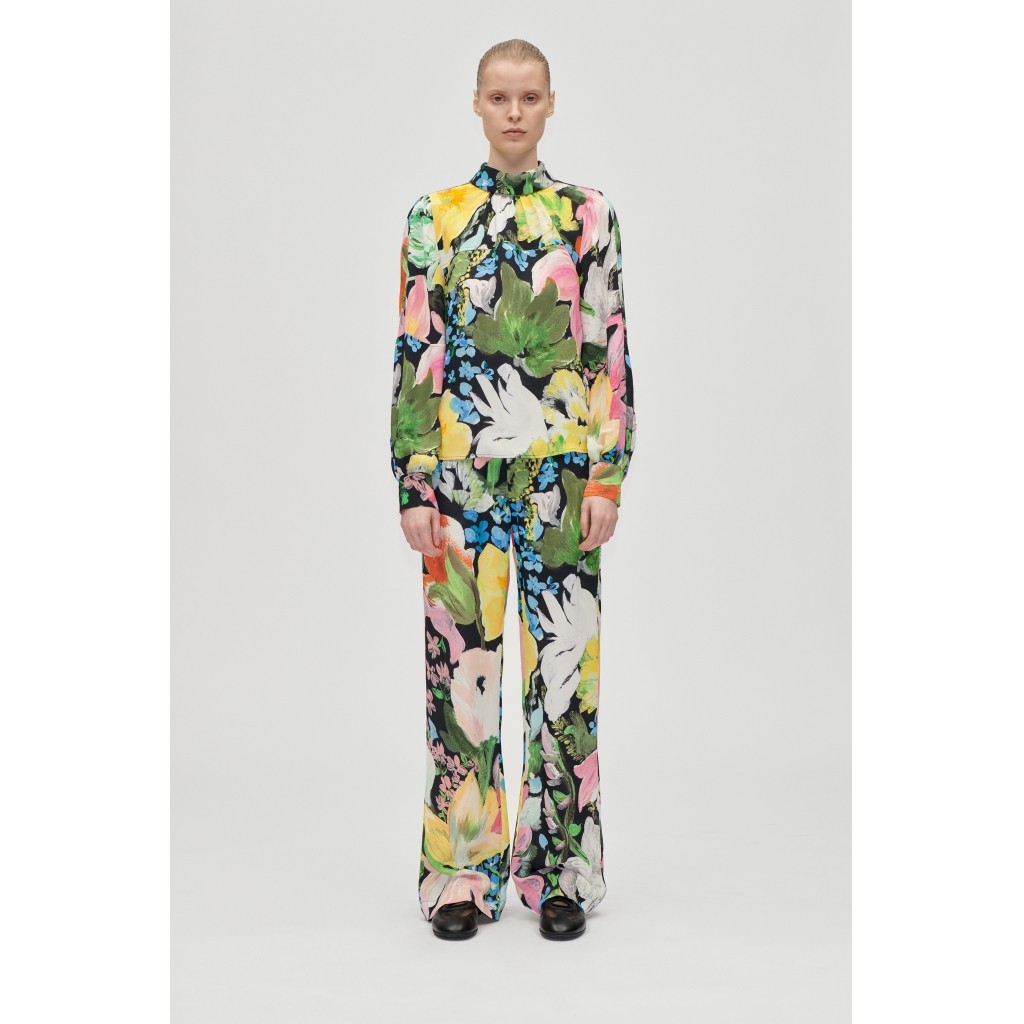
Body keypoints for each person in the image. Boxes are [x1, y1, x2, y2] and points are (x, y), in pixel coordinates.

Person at [389, 38, 637, 941]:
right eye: (500, 97)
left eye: (530, 97)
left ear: (551, 103)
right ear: (477, 104)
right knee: (459, 680)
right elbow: (416, 352)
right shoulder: (434, 218)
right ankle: (461, 873)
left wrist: (607, 474)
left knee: (565, 682)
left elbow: (609, 346)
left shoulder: (589, 215)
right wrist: (414, 482)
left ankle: (559, 872)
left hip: (563, 485)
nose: (515, 113)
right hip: (461, 489)